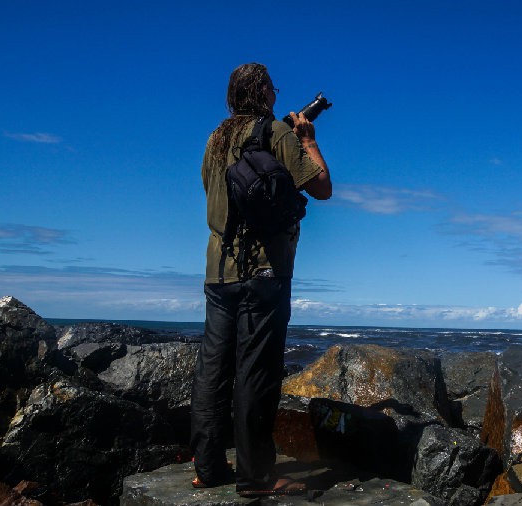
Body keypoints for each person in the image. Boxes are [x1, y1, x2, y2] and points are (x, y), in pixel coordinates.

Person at [190, 62, 331, 497]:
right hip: (264, 271)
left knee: (212, 373)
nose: (277, 90)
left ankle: (209, 468)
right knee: (257, 374)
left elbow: (212, 190)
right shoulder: (277, 132)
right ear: (264, 93)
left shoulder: (215, 139)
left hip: (218, 273)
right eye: (272, 86)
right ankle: (255, 478)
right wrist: (307, 139)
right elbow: (321, 186)